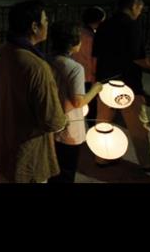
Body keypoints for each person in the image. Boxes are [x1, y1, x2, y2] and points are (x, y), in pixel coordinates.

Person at [0, 0, 66, 183]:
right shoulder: (37, 66)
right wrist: (65, 119)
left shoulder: (2, 53)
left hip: (2, 148)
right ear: (34, 27)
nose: (48, 24)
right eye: (45, 20)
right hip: (25, 155)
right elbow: (52, 120)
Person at [93, 0, 150, 172]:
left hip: (104, 81)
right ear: (133, 5)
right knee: (139, 125)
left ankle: (102, 158)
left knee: (103, 122)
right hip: (127, 84)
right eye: (140, 5)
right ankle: (149, 161)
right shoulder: (132, 26)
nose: (142, 9)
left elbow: (96, 55)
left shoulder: (104, 25)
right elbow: (138, 58)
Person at [49, 20, 104, 183]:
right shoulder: (74, 68)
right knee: (66, 170)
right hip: (69, 128)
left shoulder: (47, 60)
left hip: (51, 123)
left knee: (53, 169)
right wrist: (96, 89)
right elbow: (78, 102)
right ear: (74, 43)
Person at [72, 6, 106, 122]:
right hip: (88, 76)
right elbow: (94, 60)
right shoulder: (93, 38)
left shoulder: (77, 33)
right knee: (91, 109)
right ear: (99, 21)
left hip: (74, 74)